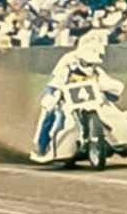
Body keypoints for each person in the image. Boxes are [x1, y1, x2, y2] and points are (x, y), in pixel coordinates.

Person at [30, 30, 118, 163]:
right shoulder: (68, 62)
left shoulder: (97, 70)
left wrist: (113, 90)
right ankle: (42, 146)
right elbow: (57, 80)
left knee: (109, 108)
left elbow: (107, 83)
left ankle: (116, 137)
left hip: (90, 98)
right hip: (65, 94)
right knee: (51, 114)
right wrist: (53, 94)